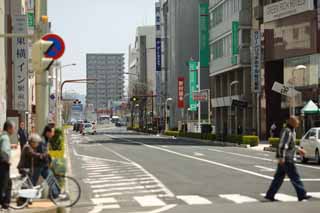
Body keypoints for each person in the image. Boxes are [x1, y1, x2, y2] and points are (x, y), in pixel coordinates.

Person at [265, 116, 311, 202]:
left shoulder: (291, 131)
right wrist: (281, 158)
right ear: (291, 122)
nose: (298, 123)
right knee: (295, 177)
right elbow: (282, 145)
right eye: (296, 121)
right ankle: (302, 194)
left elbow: (291, 145)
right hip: (287, 159)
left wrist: (299, 149)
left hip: (285, 158)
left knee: (278, 178)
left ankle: (270, 194)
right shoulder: (287, 131)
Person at [0, 120, 16, 210]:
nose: (14, 130)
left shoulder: (3, 136)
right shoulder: (5, 137)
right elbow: (4, 150)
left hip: (2, 164)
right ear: (9, 128)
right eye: (13, 128)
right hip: (4, 164)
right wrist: (7, 161)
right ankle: (4, 204)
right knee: (4, 184)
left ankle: (5, 204)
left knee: (7, 183)